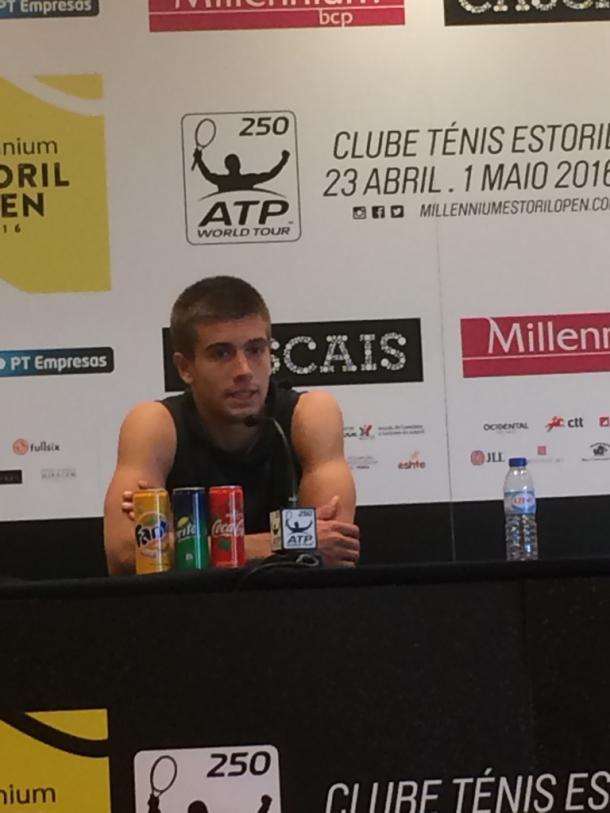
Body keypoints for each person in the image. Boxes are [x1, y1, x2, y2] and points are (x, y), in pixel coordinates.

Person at [103, 276, 360, 575]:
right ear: (185, 368)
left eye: (255, 349)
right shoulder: (154, 425)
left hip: (290, 611)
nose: (244, 371)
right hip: (186, 614)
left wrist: (183, 545)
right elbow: (124, 554)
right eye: (221, 353)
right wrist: (286, 544)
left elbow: (333, 548)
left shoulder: (310, 415)